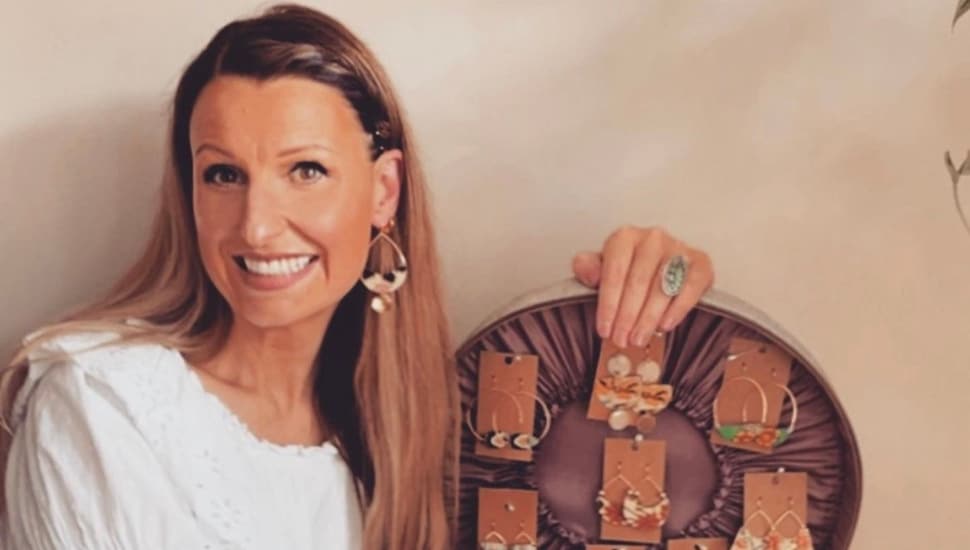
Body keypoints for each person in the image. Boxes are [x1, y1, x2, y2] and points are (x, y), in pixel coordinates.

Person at [0, 4, 714, 549]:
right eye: (223, 174)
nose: (254, 225)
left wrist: (656, 290)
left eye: (305, 170)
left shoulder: (407, 437)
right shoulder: (101, 405)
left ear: (384, 191)